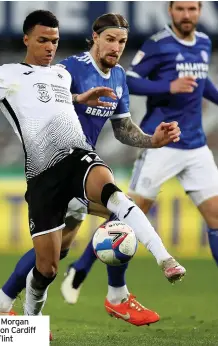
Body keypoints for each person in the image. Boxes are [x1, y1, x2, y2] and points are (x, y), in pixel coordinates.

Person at [0, 10, 182, 331]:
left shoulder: (103, 78)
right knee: (61, 254)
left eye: (122, 41)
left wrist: (153, 140)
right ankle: (109, 298)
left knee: (91, 229)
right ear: (94, 39)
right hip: (51, 172)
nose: (116, 46)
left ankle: (5, 305)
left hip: (80, 164)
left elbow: (119, 127)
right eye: (110, 39)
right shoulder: (64, 68)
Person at [59, 0, 218, 306]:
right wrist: (168, 86)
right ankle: (87, 273)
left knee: (216, 219)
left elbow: (202, 84)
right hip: (161, 144)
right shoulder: (158, 45)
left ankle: (84, 271)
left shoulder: (203, 42)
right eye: (181, 9)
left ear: (200, 11)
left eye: (193, 9)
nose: (187, 15)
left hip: (196, 145)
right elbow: (129, 79)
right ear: (170, 11)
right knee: (129, 216)